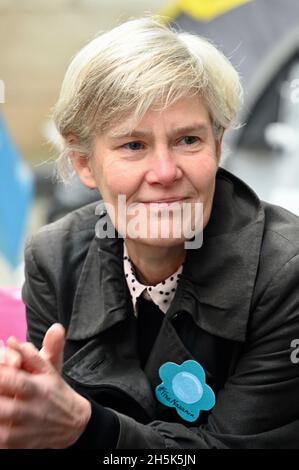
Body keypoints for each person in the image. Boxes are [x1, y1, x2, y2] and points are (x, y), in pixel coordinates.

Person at [1, 17, 299, 449]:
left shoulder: (285, 273)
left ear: (218, 145)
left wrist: (88, 429)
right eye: (133, 145)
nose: (164, 172)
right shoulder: (54, 258)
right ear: (84, 162)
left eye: (188, 140)